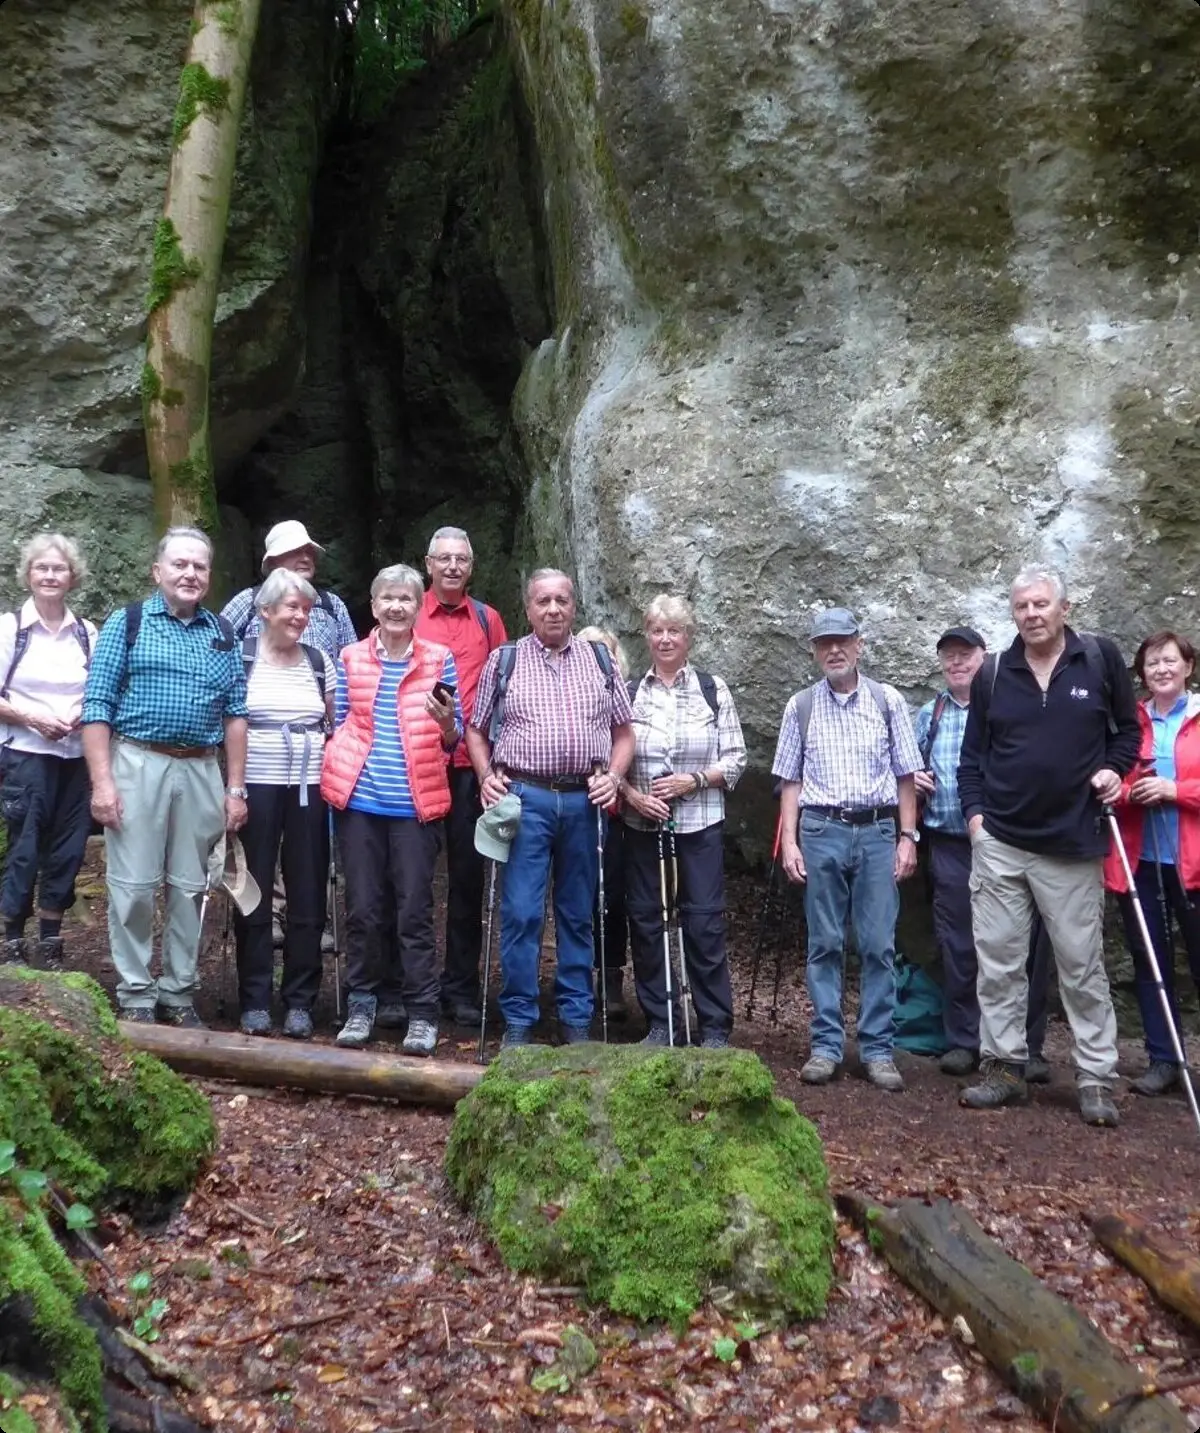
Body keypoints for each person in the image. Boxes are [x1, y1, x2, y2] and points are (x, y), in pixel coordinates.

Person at [957, 565, 1140, 1126]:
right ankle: (1005, 1068)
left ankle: (1095, 1077)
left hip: (1070, 842)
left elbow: (1127, 733)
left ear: (1064, 608)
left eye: (1041, 605)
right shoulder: (993, 674)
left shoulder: (1100, 659)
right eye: (1022, 607)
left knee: (1082, 966)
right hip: (1002, 843)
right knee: (999, 964)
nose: (1032, 615)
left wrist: (1113, 771)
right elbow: (973, 757)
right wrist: (977, 821)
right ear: (1012, 614)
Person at [81, 527, 248, 1025]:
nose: (190, 574)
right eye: (179, 564)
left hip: (201, 767)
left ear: (209, 576)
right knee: (132, 886)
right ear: (158, 571)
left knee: (191, 887)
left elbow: (236, 714)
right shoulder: (127, 623)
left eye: (199, 566)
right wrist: (102, 782)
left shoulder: (222, 631)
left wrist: (235, 788)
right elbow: (96, 706)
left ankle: (177, 993)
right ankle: (135, 993)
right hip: (138, 762)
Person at [466, 570, 634, 1047]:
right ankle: (519, 1018)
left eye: (562, 600)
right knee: (521, 912)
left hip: (585, 800)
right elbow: (476, 728)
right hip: (526, 798)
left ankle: (576, 1018)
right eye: (544, 601)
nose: (554, 609)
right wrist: (485, 776)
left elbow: (625, 731)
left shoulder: (598, 660)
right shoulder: (506, 659)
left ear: (574, 607)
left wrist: (615, 777)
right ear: (529, 608)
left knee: (578, 912)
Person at [772, 607, 923, 1092]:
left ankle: (878, 1049)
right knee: (825, 943)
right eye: (823, 643)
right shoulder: (800, 706)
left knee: (879, 944)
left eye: (842, 640)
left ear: (859, 644)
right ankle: (826, 1046)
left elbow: (906, 774)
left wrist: (907, 837)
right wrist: (790, 841)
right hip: (821, 831)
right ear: (814, 651)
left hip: (878, 831)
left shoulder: (888, 701)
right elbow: (790, 780)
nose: (833, 650)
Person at [319, 564, 461, 1055]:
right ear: (374, 606)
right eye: (387, 599)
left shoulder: (439, 658)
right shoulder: (351, 657)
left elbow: (453, 737)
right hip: (360, 802)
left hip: (415, 806)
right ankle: (362, 1004)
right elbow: (340, 722)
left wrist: (447, 726)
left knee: (414, 912)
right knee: (362, 908)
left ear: (418, 606)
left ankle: (422, 1013)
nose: (397, 607)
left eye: (406, 598)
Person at [914, 626, 1054, 1080]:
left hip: (1011, 843)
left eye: (965, 655)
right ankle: (964, 1041)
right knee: (958, 944)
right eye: (949, 656)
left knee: (1022, 946)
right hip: (951, 844)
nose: (957, 663)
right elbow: (905, 770)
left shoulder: (1007, 705)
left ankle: (1026, 1047)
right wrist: (912, 781)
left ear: (984, 657)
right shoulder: (928, 714)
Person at [619, 597, 747, 1047]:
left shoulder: (714, 690)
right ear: (647, 636)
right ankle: (661, 1022)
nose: (666, 638)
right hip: (642, 827)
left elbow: (735, 761)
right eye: (657, 630)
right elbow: (610, 760)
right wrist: (634, 797)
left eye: (675, 630)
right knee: (648, 922)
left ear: (689, 637)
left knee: (704, 923)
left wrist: (692, 781)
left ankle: (713, 1026)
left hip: (700, 825)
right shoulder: (631, 691)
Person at [234, 569, 336, 1040]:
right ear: (266, 611)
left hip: (310, 789)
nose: (299, 616)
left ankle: (300, 1000)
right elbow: (229, 723)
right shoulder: (244, 658)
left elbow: (334, 725)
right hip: (255, 785)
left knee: (309, 892)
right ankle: (254, 997)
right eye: (291, 607)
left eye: (305, 609)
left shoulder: (319, 662)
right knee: (251, 889)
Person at [413, 526, 506, 1027]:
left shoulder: (489, 621)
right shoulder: (408, 608)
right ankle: (410, 985)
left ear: (472, 567)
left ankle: (460, 988)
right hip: (418, 762)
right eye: (443, 559)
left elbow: (507, 689)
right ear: (428, 564)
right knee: (411, 880)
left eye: (461, 560)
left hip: (474, 768)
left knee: (468, 881)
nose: (452, 567)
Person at [1105, 629, 1200, 1096]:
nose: (1161, 670)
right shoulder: (1131, 721)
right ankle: (1164, 1059)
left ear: (1188, 666)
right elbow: (1109, 782)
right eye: (1152, 663)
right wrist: (1129, 793)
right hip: (1141, 860)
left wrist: (1174, 791)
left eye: (1169, 661)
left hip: (1194, 865)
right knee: (1151, 961)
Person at [0, 534, 97, 967]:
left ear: (72, 577)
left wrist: (80, 714)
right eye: (42, 568)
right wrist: (33, 719)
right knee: (25, 846)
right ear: (28, 575)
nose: (50, 575)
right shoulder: (9, 630)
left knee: (69, 848)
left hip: (76, 758)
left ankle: (52, 939)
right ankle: (12, 938)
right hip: (24, 755)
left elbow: (98, 687)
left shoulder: (86, 632)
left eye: (59, 568)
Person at [578, 625, 632, 1022]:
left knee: (612, 898)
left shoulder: (625, 695)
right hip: (573, 806)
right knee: (576, 899)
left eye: (605, 651)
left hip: (615, 812)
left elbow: (630, 749)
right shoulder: (563, 691)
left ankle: (610, 977)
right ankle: (578, 979)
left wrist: (618, 785)